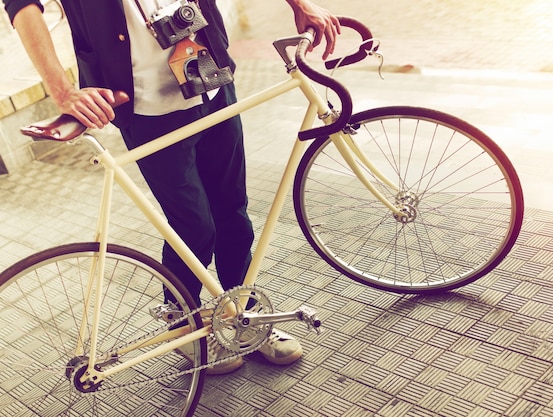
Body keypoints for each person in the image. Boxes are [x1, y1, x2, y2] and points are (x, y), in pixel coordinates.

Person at [3, 0, 340, 374]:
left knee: (234, 214)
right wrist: (62, 91)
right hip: (145, 106)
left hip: (211, 82)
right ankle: (184, 325)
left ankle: (246, 316)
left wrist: (300, 3)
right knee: (193, 228)